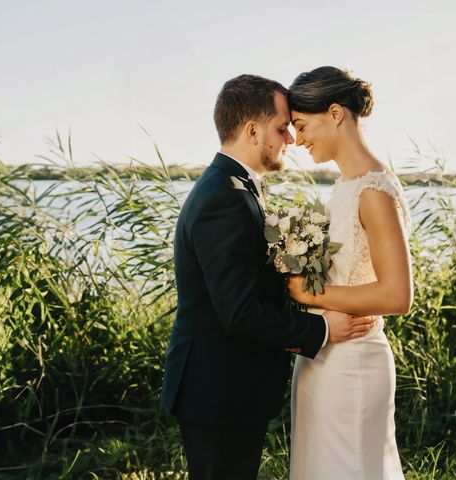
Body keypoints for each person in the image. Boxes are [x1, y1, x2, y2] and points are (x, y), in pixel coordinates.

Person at [160, 74, 374, 480]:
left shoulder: (238, 187)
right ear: (253, 130)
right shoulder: (222, 198)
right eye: (282, 128)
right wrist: (320, 329)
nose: (291, 139)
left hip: (229, 387)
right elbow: (238, 311)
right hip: (217, 390)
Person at [286, 66, 413, 479]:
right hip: (324, 355)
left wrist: (311, 296)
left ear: (336, 113)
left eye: (302, 125)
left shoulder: (373, 190)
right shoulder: (345, 185)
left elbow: (397, 295)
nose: (298, 140)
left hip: (354, 362)